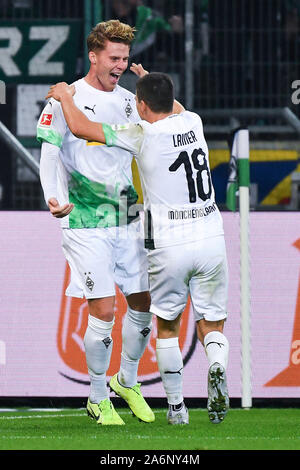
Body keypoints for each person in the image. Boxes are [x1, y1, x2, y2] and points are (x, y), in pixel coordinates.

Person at [46, 70, 230, 425]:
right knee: (212, 322)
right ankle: (218, 363)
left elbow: (84, 129)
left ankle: (177, 409)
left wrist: (64, 96)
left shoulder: (142, 134)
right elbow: (172, 105)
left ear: (141, 105)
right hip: (212, 236)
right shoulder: (193, 121)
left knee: (167, 328)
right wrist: (150, 81)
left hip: (170, 242)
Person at [37, 20, 155, 426]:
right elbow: (50, 154)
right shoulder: (65, 98)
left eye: (124, 58)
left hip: (129, 217)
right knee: (103, 309)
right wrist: (53, 197)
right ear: (94, 56)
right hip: (85, 219)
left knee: (143, 303)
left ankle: (128, 380)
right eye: (113, 57)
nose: (120, 64)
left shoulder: (130, 101)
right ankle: (97, 396)